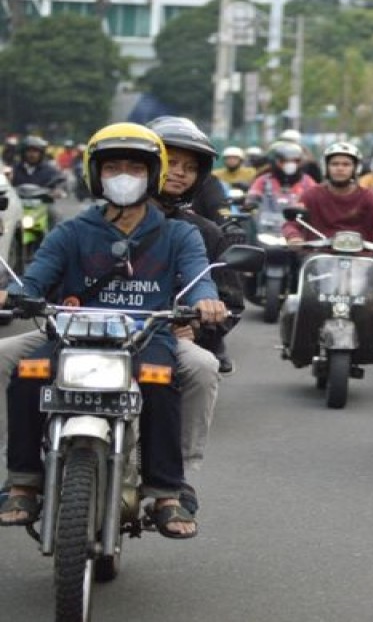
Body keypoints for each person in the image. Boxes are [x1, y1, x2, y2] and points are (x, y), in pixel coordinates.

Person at [0, 123, 228, 538]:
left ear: (152, 175)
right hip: (71, 336)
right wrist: (12, 295)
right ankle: (22, 482)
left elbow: (200, 278)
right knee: (28, 373)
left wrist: (205, 302)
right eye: (113, 167)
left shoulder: (181, 233)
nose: (124, 175)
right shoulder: (71, 231)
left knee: (161, 384)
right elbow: (34, 280)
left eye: (135, 168)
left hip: (146, 337)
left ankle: (165, 492)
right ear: (95, 175)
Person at [147, 117, 246, 380]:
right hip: (98, 338)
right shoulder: (94, 223)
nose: (180, 172)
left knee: (203, 369)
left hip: (170, 342)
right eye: (171, 162)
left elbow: (230, 302)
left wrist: (196, 328)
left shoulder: (204, 232)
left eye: (189, 167)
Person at [281, 141, 373, 248]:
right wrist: (294, 237)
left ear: (356, 169)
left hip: (362, 261)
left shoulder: (370, 197)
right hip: (319, 259)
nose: (340, 168)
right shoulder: (311, 195)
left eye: (346, 164)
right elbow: (292, 223)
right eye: (335, 164)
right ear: (326, 167)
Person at [245, 140, 317, 227]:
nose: (290, 164)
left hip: (299, 228)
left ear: (301, 162)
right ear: (274, 161)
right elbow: (253, 196)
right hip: (267, 228)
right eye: (284, 161)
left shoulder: (307, 181)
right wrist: (250, 202)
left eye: (295, 161)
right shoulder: (263, 180)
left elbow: (317, 200)